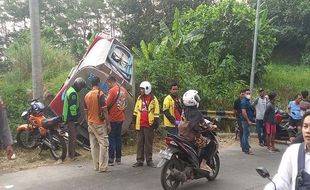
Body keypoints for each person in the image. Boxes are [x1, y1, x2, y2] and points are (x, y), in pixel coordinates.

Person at [264, 111, 310, 190]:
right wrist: (271, 187)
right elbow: (282, 179)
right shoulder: (293, 151)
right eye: (305, 126)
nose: (308, 131)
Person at [179, 89, 217, 172]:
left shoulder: (184, 111)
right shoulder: (197, 113)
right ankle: (203, 164)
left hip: (182, 135)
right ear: (192, 100)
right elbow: (204, 125)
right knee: (211, 144)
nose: (198, 99)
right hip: (193, 137)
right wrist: (212, 127)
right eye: (196, 98)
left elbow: (191, 121)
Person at [84, 75, 111, 172]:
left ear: (91, 84)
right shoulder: (100, 94)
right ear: (99, 84)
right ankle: (102, 167)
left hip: (90, 123)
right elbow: (105, 111)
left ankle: (96, 166)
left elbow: (85, 112)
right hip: (99, 123)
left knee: (94, 145)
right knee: (104, 144)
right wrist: (108, 124)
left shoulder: (86, 95)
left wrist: (88, 123)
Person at [132, 81, 160, 167]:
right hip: (140, 124)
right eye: (141, 89)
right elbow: (136, 110)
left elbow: (156, 111)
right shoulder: (139, 98)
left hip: (149, 124)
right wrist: (134, 119)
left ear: (147, 89)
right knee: (140, 143)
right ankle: (139, 160)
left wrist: (156, 121)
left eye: (142, 89)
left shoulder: (153, 99)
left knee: (148, 143)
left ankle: (149, 160)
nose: (141, 90)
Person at [63, 77, 86, 160]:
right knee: (72, 137)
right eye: (81, 87)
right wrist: (75, 117)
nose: (81, 89)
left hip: (70, 117)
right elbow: (72, 107)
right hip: (71, 118)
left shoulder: (71, 90)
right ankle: (71, 156)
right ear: (79, 85)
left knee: (73, 136)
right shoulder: (72, 93)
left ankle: (73, 152)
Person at [105, 76, 126, 166]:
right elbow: (124, 104)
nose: (108, 86)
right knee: (118, 138)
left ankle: (111, 159)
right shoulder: (123, 90)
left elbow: (106, 104)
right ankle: (118, 158)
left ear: (110, 82)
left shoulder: (112, 91)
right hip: (121, 117)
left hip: (113, 118)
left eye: (107, 84)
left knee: (112, 138)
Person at [241, 89, 255, 155]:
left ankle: (244, 148)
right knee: (246, 135)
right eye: (247, 93)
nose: (248, 95)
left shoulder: (248, 101)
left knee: (245, 135)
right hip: (245, 121)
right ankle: (247, 149)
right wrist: (248, 120)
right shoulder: (244, 102)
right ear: (244, 94)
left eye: (249, 93)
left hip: (246, 121)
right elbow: (244, 112)